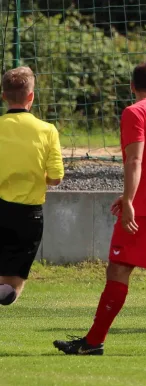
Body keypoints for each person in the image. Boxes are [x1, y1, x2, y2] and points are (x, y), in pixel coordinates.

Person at [53, 61, 146, 355]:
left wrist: (130, 199)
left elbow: (136, 160)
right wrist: (131, 195)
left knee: (118, 269)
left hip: (144, 206)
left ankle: (93, 342)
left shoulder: (135, 112)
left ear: (132, 86)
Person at [0, 66, 64, 305]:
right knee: (12, 286)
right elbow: (56, 177)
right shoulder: (47, 131)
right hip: (27, 214)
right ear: (31, 96)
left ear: (4, 95)